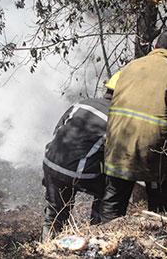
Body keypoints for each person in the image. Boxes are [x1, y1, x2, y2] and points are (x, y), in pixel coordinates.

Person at [99, 31, 167, 223]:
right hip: (155, 152)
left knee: (113, 204)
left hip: (118, 146)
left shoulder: (129, 67)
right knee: (162, 208)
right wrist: (166, 141)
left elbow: (109, 100)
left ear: (155, 48)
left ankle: (104, 238)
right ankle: (161, 235)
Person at [41, 72, 120, 240]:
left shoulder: (82, 104)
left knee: (55, 215)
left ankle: (46, 247)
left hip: (51, 161)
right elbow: (116, 157)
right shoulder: (118, 118)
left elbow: (58, 131)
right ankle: (97, 233)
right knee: (110, 190)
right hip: (77, 172)